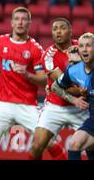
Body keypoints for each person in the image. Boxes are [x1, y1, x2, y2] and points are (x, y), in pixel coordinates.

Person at [0, 7, 67, 160]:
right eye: (17, 19)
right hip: (3, 103)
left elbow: (44, 78)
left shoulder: (35, 49)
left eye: (24, 19)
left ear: (29, 23)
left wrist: (27, 74)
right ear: (12, 22)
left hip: (27, 104)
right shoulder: (1, 41)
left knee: (47, 142)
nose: (20, 22)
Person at [29, 18, 87, 159]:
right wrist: (82, 90)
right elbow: (63, 84)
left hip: (82, 107)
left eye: (62, 28)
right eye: (55, 29)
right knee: (36, 146)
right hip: (56, 106)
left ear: (70, 31)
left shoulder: (83, 48)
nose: (58, 32)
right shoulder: (48, 55)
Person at [51, 32, 94, 160]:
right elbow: (55, 86)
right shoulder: (74, 70)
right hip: (92, 120)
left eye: (89, 46)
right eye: (81, 46)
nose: (84, 49)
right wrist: (74, 100)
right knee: (74, 144)